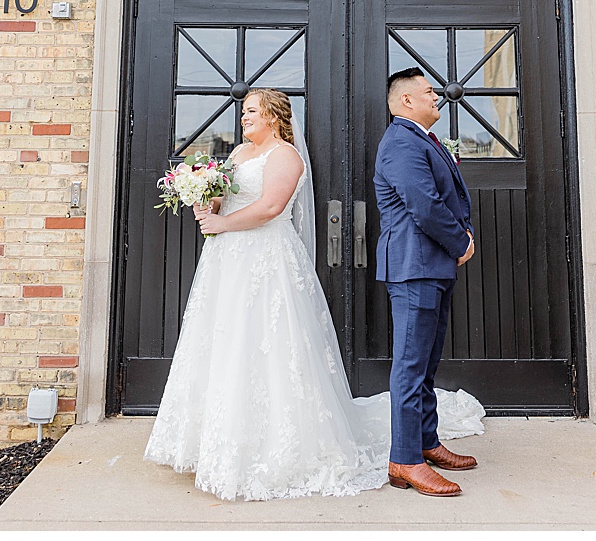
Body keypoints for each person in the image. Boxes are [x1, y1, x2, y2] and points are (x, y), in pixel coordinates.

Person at [144, 88, 484, 501]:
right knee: (225, 347)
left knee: (273, 351)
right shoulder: (235, 157)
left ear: (272, 115)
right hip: (229, 264)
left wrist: (222, 225)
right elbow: (227, 201)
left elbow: (270, 208)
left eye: (252, 110)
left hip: (266, 260)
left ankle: (414, 448)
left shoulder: (286, 155)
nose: (244, 117)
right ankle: (214, 444)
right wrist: (206, 203)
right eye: (244, 111)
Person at [376, 68, 479, 497]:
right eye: (428, 92)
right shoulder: (401, 141)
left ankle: (427, 442)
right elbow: (425, 204)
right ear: (405, 101)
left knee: (427, 363)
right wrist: (461, 241)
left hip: (431, 266)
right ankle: (404, 459)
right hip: (414, 266)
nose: (436, 97)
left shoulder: (423, 138)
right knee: (410, 365)